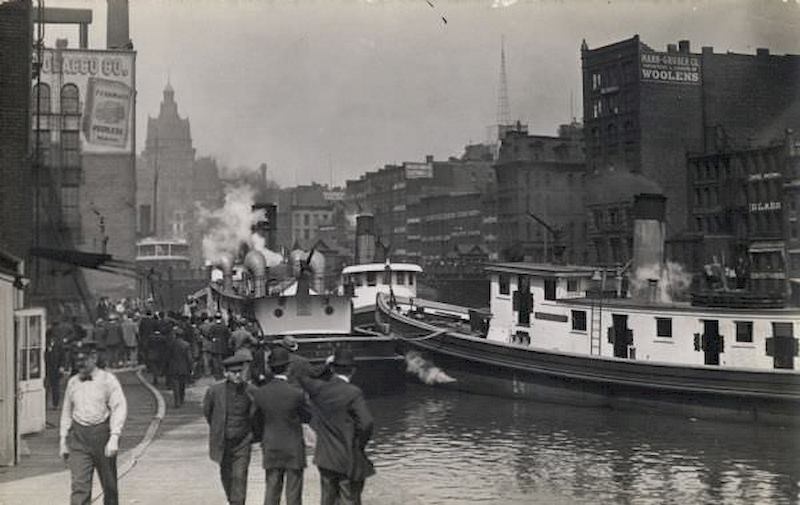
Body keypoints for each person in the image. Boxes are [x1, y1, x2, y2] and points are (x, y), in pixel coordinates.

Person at [298, 348, 375, 505]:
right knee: (348, 499)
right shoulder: (353, 392)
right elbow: (367, 423)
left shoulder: (319, 389)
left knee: (327, 499)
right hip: (347, 456)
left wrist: (325, 366)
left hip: (324, 456)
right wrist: (359, 444)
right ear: (353, 370)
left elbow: (302, 377)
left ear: (333, 368)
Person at [59, 340, 128, 505]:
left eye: (83, 360)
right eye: (77, 360)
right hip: (78, 438)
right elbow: (67, 411)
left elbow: (119, 407)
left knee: (109, 486)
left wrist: (114, 437)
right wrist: (63, 440)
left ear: (94, 358)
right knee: (79, 486)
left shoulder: (108, 380)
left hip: (102, 436)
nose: (80, 364)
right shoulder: (73, 382)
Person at [251, 347, 311, 505]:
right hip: (293, 446)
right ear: (289, 367)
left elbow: (255, 420)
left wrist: (261, 437)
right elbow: (308, 416)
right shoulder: (296, 393)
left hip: (270, 444)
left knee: (272, 488)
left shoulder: (260, 393)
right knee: (294, 493)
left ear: (270, 368)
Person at [203, 354, 256, 505]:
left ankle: (238, 502)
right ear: (226, 373)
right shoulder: (215, 391)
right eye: (234, 372)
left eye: (240, 371)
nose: (238, 375)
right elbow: (208, 413)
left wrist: (252, 434)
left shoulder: (250, 390)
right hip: (223, 440)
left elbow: (256, 413)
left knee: (240, 475)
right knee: (226, 475)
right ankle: (232, 500)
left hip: (243, 441)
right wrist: (218, 428)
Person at [167, 328, 194, 408]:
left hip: (173, 367)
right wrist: (191, 368)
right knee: (182, 385)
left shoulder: (171, 344)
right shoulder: (186, 345)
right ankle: (181, 399)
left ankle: (177, 401)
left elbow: (168, 356)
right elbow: (189, 358)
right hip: (184, 367)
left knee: (175, 386)